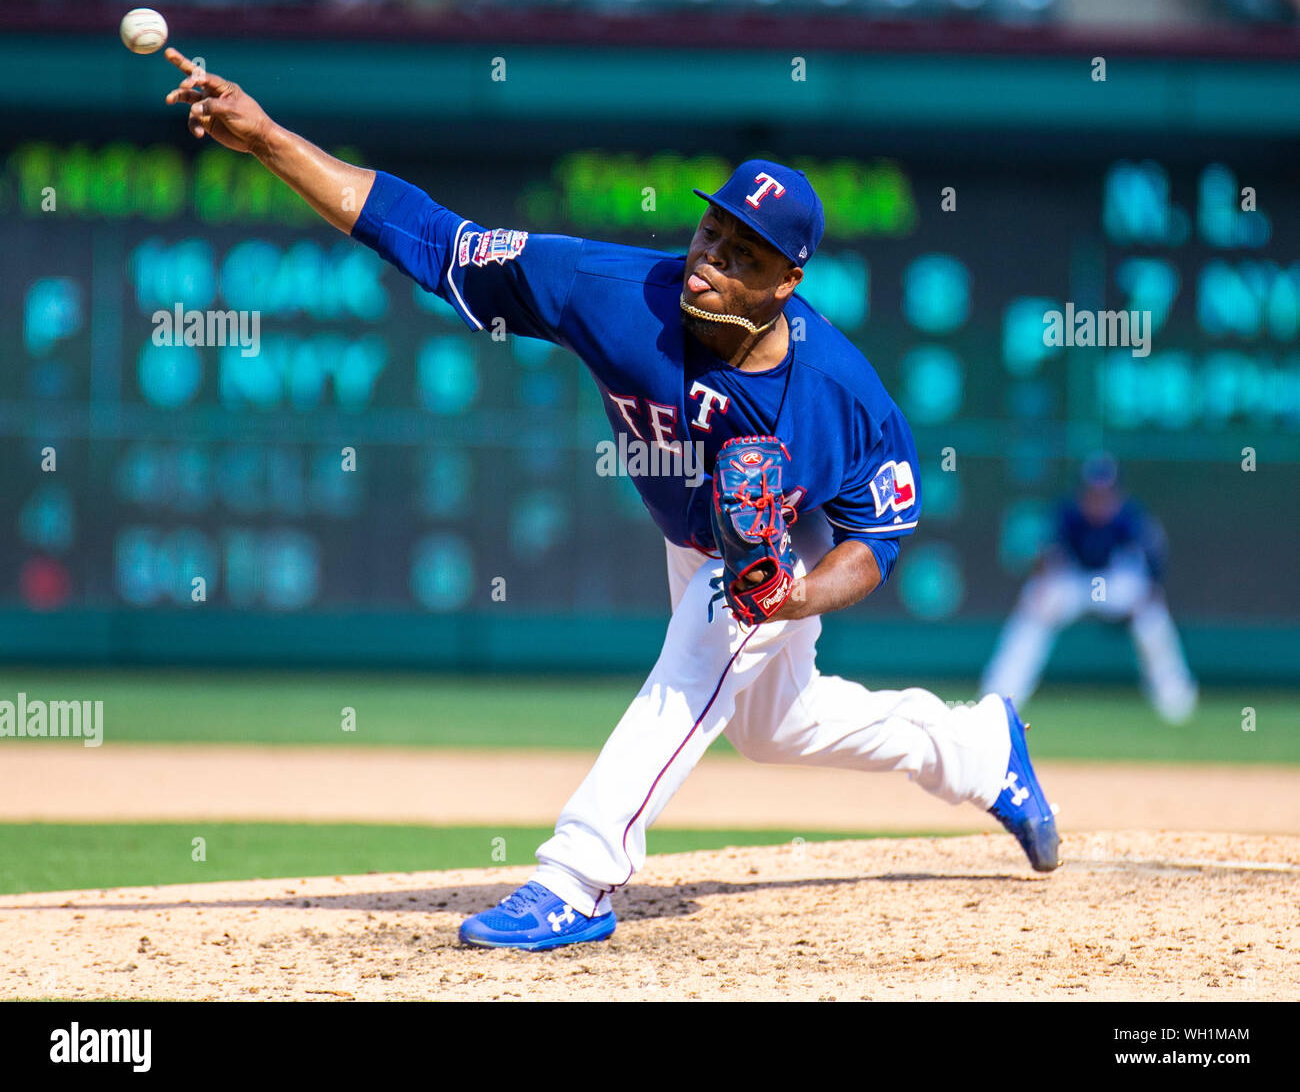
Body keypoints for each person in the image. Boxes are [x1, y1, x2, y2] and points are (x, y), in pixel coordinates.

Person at [163, 48, 1060, 952]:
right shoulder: (613, 290)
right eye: (713, 232)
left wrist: (797, 593)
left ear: (786, 282)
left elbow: (878, 536)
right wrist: (269, 140)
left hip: (763, 560)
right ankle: (979, 748)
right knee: (778, 727)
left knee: (706, 649)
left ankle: (577, 878)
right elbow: (428, 236)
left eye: (743, 254)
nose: (710, 258)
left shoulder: (839, 394)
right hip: (697, 539)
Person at [980, 453, 1198, 725]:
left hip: (1114, 584)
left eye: (1104, 492)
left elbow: (1154, 560)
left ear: (1116, 492)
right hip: (1075, 583)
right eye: (1092, 492)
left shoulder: (1130, 517)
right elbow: (1046, 557)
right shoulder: (1067, 514)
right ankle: (1000, 696)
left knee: (1151, 613)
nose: (1097, 498)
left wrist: (1149, 592)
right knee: (1034, 602)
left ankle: (1174, 696)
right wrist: (1041, 586)